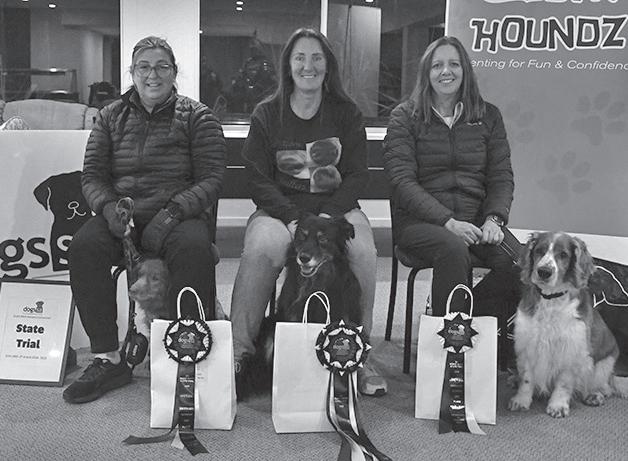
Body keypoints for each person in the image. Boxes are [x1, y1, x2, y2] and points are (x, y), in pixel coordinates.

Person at [63, 36, 226, 404]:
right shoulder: (109, 116)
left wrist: (171, 214)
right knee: (84, 247)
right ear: (132, 72)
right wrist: (109, 210)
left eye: (162, 66)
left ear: (174, 72)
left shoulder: (198, 116)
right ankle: (108, 358)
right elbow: (92, 176)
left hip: (178, 215)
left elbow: (213, 179)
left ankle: (186, 355)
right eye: (144, 67)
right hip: (123, 216)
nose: (153, 75)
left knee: (194, 249)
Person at [230, 27, 386, 399]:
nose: (308, 66)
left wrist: (330, 216)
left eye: (317, 58)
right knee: (264, 246)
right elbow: (256, 177)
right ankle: (238, 352)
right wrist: (289, 217)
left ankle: (357, 352)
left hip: (336, 210)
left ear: (328, 66)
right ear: (288, 65)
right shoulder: (268, 113)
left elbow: (357, 175)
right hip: (279, 212)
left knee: (363, 251)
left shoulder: (346, 113)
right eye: (300, 57)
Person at [383, 36, 520, 341]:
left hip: (476, 221)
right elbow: (402, 182)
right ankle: (449, 352)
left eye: (454, 64)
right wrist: (448, 221)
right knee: (453, 248)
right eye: (437, 65)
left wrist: (494, 219)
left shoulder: (488, 116)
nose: (446, 71)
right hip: (420, 224)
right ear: (426, 73)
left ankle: (471, 327)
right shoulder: (404, 117)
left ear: (465, 71)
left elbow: (501, 177)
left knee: (522, 265)